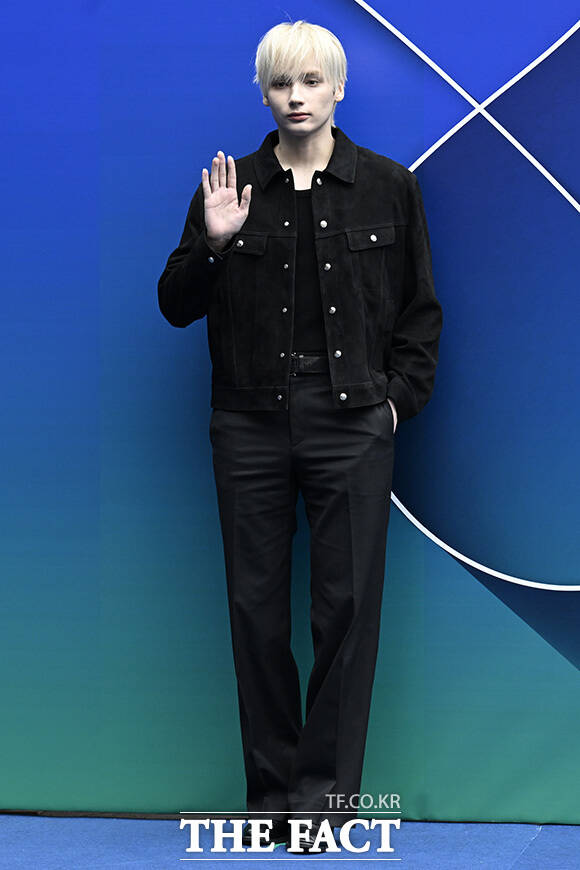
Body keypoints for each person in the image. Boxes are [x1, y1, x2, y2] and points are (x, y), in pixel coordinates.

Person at [158, 19, 443, 854]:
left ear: (338, 88)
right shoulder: (230, 187)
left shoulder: (389, 187)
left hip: (352, 421)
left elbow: (421, 314)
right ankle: (273, 801)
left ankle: (323, 808)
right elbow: (175, 304)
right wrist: (214, 245)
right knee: (255, 612)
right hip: (247, 422)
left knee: (346, 612)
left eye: (312, 80)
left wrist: (394, 406)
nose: (296, 96)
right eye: (282, 83)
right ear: (264, 93)